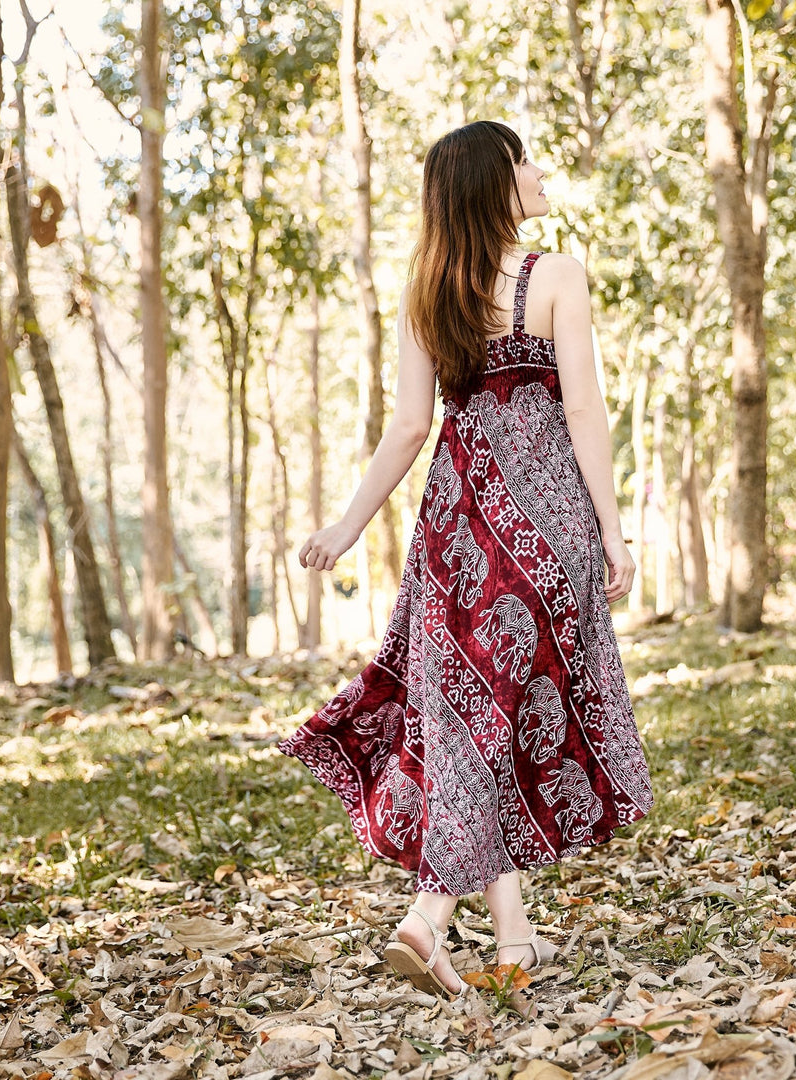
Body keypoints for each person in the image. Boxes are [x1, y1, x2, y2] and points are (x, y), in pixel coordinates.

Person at [278, 120, 653, 997]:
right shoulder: (553, 273)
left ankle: (509, 936)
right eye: (525, 160)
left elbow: (410, 427)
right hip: (546, 524)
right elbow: (586, 412)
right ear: (499, 181)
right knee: (496, 719)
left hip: (458, 527)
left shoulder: (428, 292)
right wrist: (610, 529)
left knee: (472, 718)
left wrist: (346, 526)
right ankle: (433, 919)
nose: (537, 170)